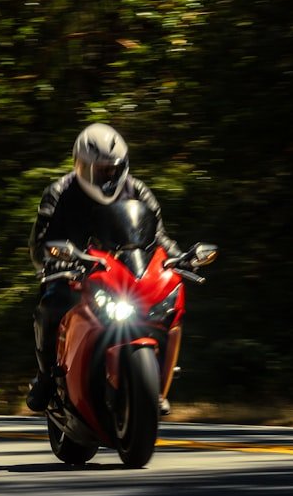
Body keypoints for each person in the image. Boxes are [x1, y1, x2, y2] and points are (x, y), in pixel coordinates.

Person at [26, 123, 181, 412]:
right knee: (51, 305)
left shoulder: (137, 190)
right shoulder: (58, 193)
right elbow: (40, 242)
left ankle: (156, 385)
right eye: (100, 170)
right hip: (75, 272)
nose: (108, 176)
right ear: (81, 167)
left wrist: (178, 257)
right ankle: (45, 378)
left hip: (125, 273)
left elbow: (159, 236)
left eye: (113, 169)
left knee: (168, 306)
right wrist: (51, 259)